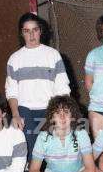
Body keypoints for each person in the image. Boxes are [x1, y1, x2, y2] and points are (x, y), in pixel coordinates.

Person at [5, 12, 71, 163]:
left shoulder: (53, 55)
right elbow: (11, 91)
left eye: (35, 29)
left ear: (40, 31)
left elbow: (63, 88)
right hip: (25, 110)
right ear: (22, 33)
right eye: (27, 31)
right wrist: (15, 114)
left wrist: (60, 113)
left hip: (50, 109)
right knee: (31, 153)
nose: (31, 34)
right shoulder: (14, 59)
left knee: (53, 152)